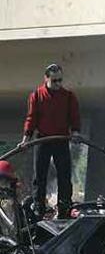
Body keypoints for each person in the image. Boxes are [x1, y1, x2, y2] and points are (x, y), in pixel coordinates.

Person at [19, 64, 81, 219]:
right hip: (43, 139)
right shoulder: (37, 95)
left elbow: (74, 117)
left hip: (61, 139)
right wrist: (26, 139)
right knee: (39, 176)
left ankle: (64, 208)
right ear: (46, 79)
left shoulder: (69, 96)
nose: (58, 84)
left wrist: (75, 132)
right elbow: (31, 119)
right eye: (54, 81)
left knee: (64, 175)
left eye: (60, 80)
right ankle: (38, 209)